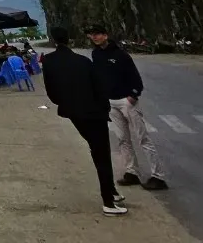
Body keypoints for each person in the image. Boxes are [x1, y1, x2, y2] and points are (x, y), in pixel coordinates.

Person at [41, 27, 127, 217]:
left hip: (72, 113)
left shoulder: (48, 61)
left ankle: (111, 191)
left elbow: (51, 92)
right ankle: (108, 202)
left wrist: (66, 102)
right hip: (93, 113)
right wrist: (104, 109)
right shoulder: (83, 61)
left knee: (96, 150)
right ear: (70, 39)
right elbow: (100, 89)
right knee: (101, 154)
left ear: (53, 40)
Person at [89, 25, 168, 191]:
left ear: (105, 35)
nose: (94, 37)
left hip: (126, 101)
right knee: (122, 139)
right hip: (110, 102)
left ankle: (158, 176)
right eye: (92, 35)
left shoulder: (120, 55)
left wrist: (132, 95)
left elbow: (135, 78)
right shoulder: (96, 55)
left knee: (143, 138)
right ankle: (132, 172)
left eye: (97, 34)